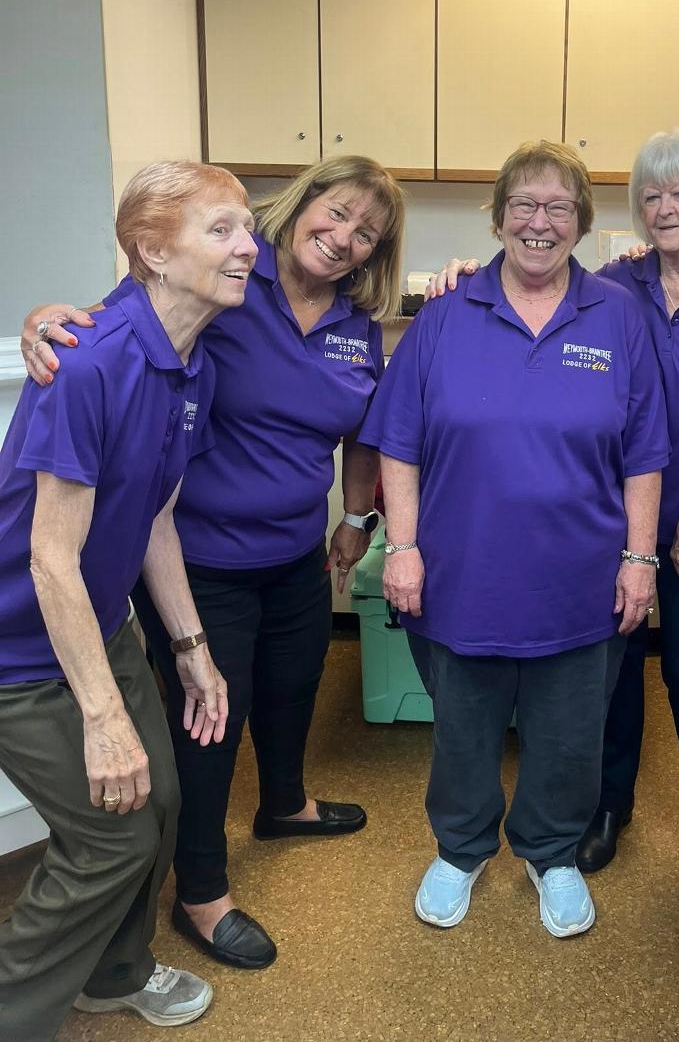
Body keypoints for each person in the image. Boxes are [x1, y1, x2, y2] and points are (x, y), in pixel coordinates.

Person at [21, 155, 405, 971]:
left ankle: (286, 803)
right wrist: (47, 323)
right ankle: (202, 889)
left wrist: (357, 517)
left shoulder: (356, 326)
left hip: (296, 547)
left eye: (366, 232)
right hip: (199, 558)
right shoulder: (234, 287)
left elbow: (357, 434)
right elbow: (124, 321)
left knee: (293, 685)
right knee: (207, 730)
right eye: (335, 214)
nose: (344, 238)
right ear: (300, 208)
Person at [429, 127, 679, 881]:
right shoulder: (622, 284)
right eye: (650, 194)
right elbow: (533, 280)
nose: (663, 207)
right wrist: (460, 269)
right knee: (610, 675)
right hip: (613, 519)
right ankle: (608, 808)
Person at [359, 140, 669, 938]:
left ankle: (551, 851)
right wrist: (402, 545)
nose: (540, 222)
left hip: (582, 575)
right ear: (497, 218)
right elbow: (399, 442)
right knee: (463, 726)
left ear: (580, 222)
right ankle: (460, 849)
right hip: (461, 570)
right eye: (523, 206)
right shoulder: (445, 315)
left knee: (569, 733)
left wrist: (640, 559)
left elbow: (643, 452)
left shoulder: (618, 316)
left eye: (558, 207)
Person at [0, 161, 252, 1040]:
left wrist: (190, 647)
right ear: (151, 248)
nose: (247, 246)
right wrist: (103, 716)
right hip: (18, 652)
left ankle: (114, 974)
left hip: (100, 625)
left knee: (164, 802)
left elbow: (154, 520)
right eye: (221, 229)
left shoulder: (191, 364)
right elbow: (51, 558)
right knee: (111, 837)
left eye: (246, 227)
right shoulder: (87, 362)